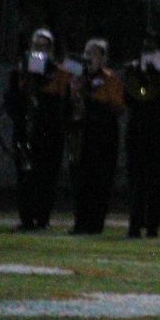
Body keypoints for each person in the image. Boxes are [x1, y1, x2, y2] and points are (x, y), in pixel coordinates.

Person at [2, 29, 70, 230]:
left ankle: (42, 219)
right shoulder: (20, 71)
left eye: (44, 46)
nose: (40, 50)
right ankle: (26, 218)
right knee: (25, 175)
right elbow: (12, 99)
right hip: (26, 127)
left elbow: (70, 89)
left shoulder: (59, 71)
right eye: (37, 46)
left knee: (47, 175)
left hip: (50, 130)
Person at [123, 32, 160, 238]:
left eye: (153, 48)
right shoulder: (132, 68)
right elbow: (129, 97)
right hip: (138, 125)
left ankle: (152, 224)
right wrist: (138, 74)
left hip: (158, 126)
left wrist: (156, 75)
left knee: (155, 178)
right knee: (136, 177)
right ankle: (135, 223)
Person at [69, 38, 125, 235]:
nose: (89, 57)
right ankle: (79, 222)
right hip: (82, 133)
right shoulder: (77, 76)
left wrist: (88, 95)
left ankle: (95, 224)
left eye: (94, 53)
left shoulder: (110, 78)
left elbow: (116, 107)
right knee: (80, 180)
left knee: (100, 181)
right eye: (87, 53)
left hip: (103, 134)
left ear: (103, 58)